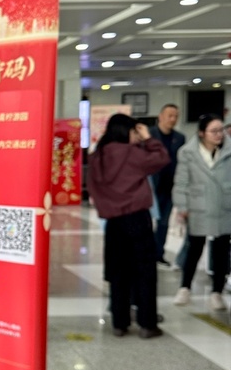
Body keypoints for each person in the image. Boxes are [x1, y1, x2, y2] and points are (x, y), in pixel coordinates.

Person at [88, 114, 170, 338]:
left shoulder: (98, 156)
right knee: (145, 271)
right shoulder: (132, 153)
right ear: (127, 131)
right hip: (137, 218)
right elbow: (162, 158)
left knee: (118, 272)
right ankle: (147, 324)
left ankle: (120, 322)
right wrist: (148, 138)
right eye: (134, 131)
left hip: (113, 222)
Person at [172, 114, 231, 312]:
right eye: (214, 131)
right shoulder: (187, 153)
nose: (219, 135)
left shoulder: (229, 150)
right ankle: (185, 287)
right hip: (198, 205)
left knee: (221, 251)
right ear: (201, 133)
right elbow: (181, 181)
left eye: (221, 130)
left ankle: (217, 292)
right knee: (194, 248)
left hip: (224, 206)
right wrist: (182, 206)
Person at [149, 103, 186, 266]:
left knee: (163, 223)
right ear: (160, 116)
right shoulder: (149, 135)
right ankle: (146, 253)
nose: (173, 119)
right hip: (151, 186)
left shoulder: (180, 138)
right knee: (147, 222)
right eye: (170, 115)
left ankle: (159, 253)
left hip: (170, 187)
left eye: (176, 116)